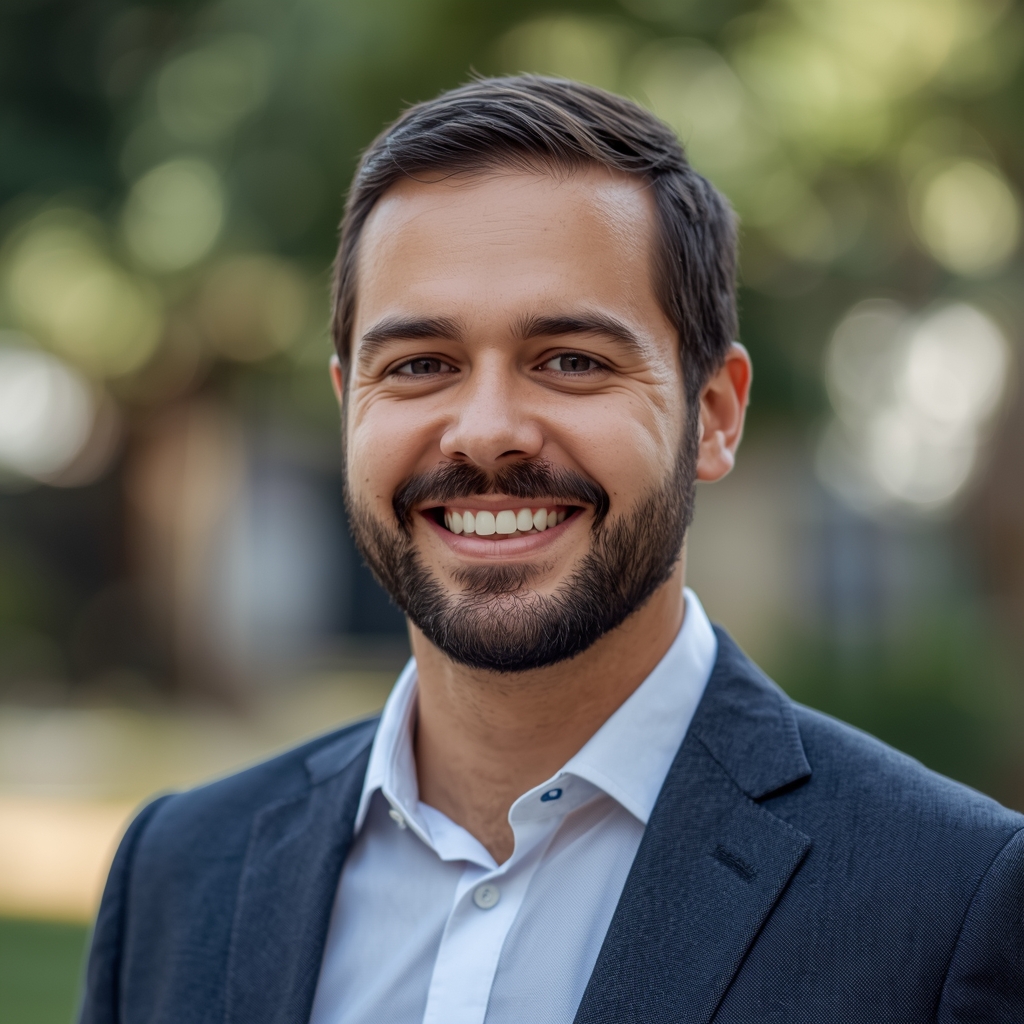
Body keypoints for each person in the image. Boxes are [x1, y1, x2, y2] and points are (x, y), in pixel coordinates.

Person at [79, 76, 1023, 1024]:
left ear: (713, 415)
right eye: (420, 366)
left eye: (572, 361)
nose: (487, 432)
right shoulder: (177, 874)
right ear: (348, 408)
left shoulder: (953, 904)